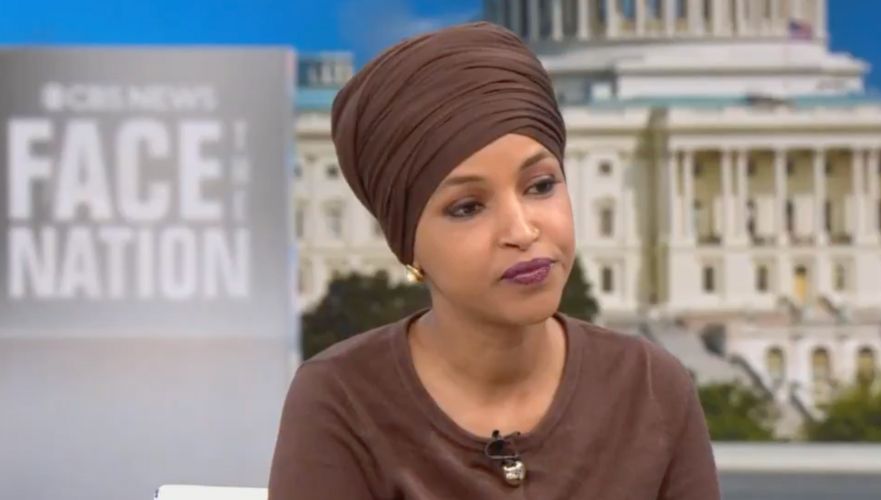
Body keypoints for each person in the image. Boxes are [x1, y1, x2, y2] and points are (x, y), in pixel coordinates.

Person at [268, 21, 720, 499]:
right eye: (468, 208)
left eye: (541, 185)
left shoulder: (652, 389)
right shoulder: (342, 401)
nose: (521, 231)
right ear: (406, 243)